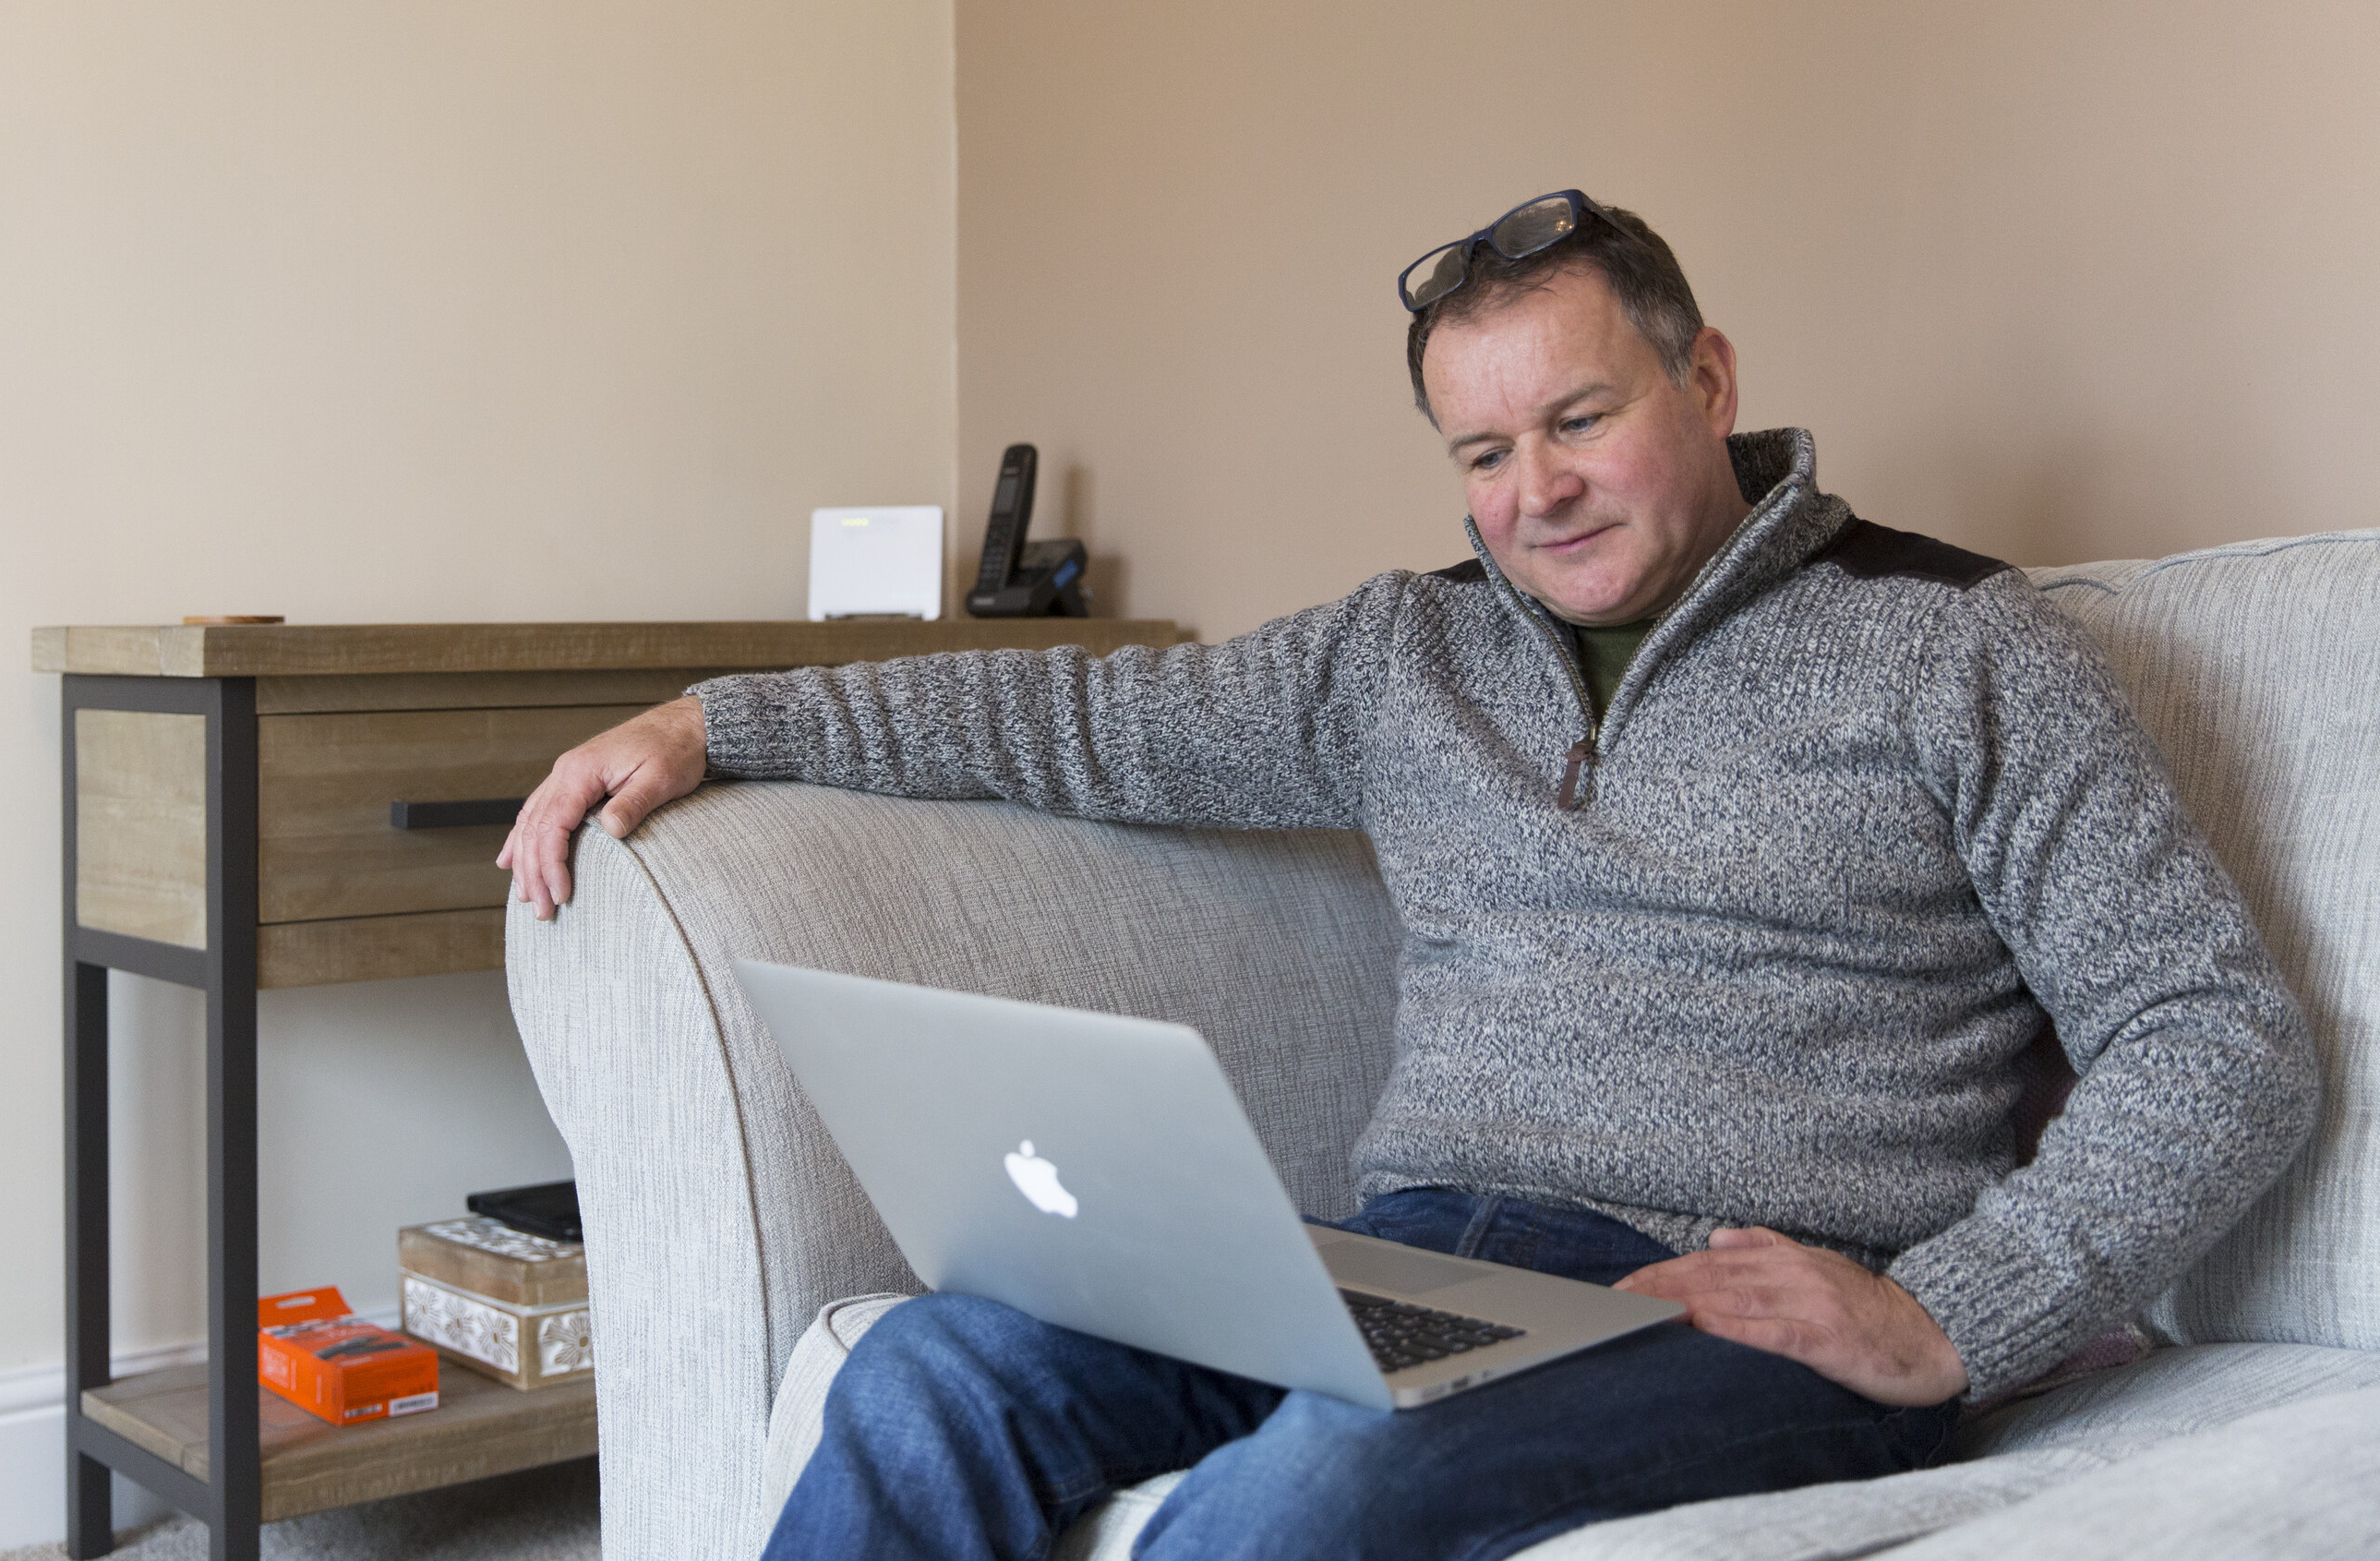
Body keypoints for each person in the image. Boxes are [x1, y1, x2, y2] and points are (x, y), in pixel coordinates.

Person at [496, 192, 2318, 1560]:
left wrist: (1948, 1313)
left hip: (1739, 1304)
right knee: (931, 1376)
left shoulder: (1955, 643)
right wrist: (715, 721)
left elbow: (2214, 1033)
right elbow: (1081, 721)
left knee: (1316, 1491)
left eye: (1581, 417)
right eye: (1483, 450)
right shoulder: (1405, 656)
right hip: (1413, 1257)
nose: (1539, 491)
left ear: (1710, 377)